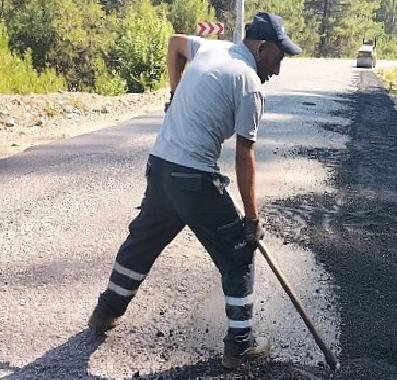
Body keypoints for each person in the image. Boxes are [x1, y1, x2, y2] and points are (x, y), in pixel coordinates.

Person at [87, 12, 302, 370]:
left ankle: (105, 312)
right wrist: (251, 219)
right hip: (194, 179)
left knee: (142, 243)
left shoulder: (212, 48)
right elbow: (245, 157)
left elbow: (174, 44)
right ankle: (240, 344)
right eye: (278, 59)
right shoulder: (249, 83)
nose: (277, 70)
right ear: (262, 48)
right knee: (237, 254)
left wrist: (175, 90)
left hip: (160, 167)